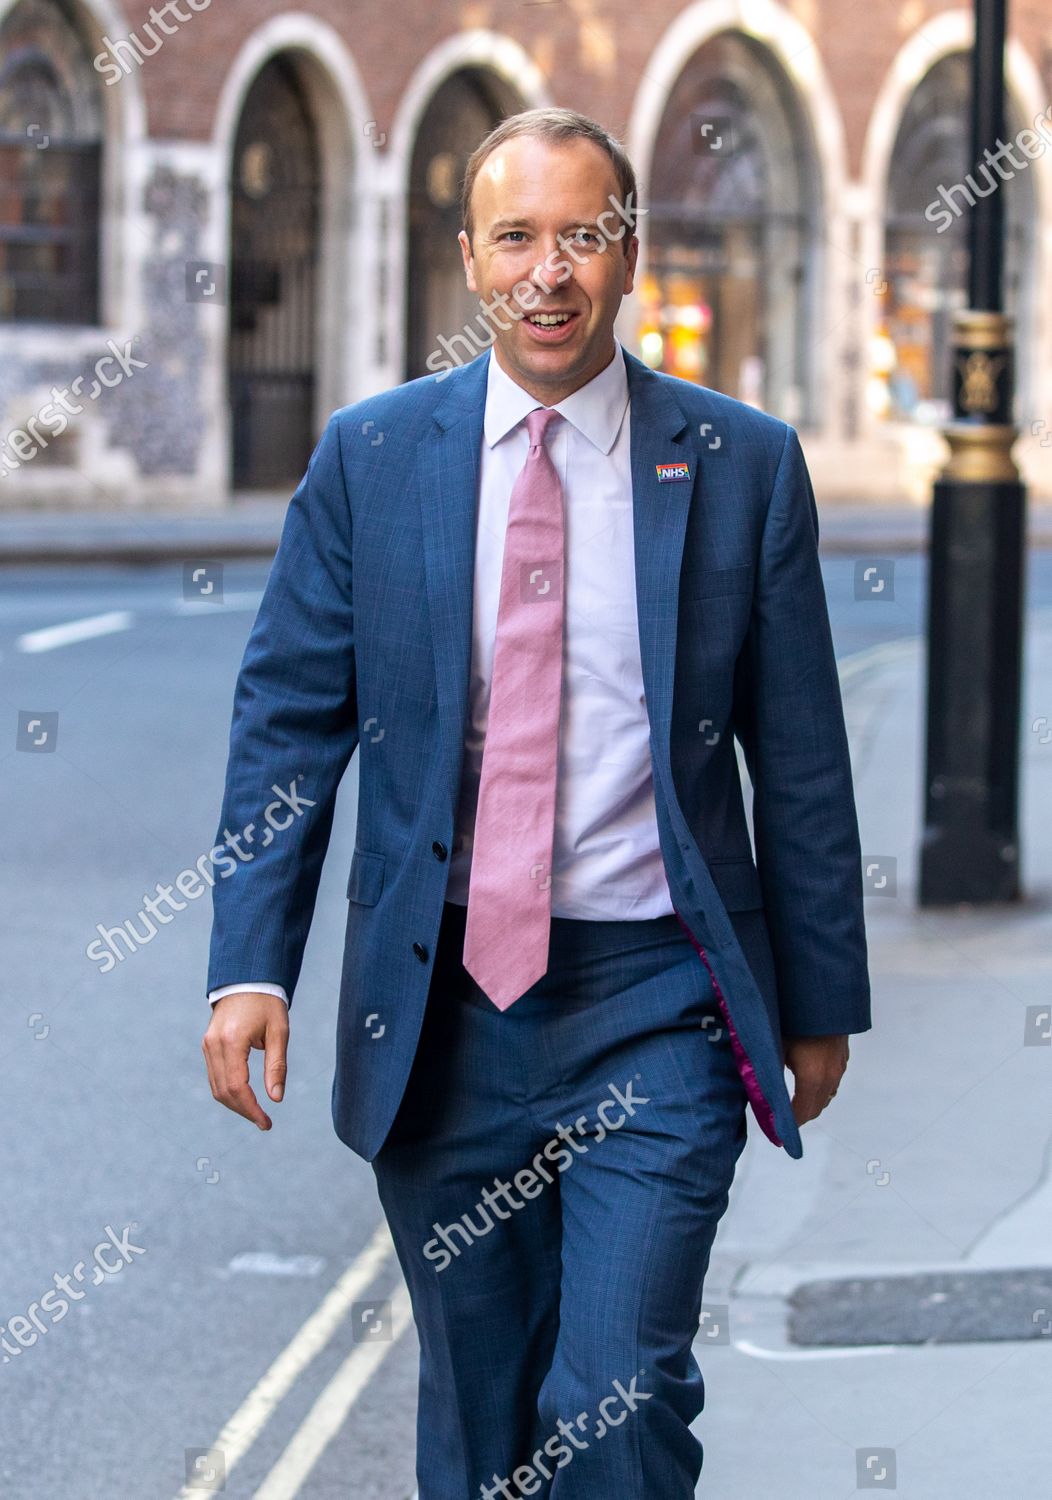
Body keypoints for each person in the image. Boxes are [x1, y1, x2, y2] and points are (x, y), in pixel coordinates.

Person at [202, 106, 871, 1499]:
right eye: (518, 237)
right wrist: (248, 966)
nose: (549, 271)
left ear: (631, 257)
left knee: (615, 1395)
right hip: (444, 1008)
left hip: (656, 1002)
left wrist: (818, 999)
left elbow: (798, 753)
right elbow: (287, 722)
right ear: (469, 261)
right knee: (484, 1426)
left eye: (583, 235)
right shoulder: (372, 462)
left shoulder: (741, 466)